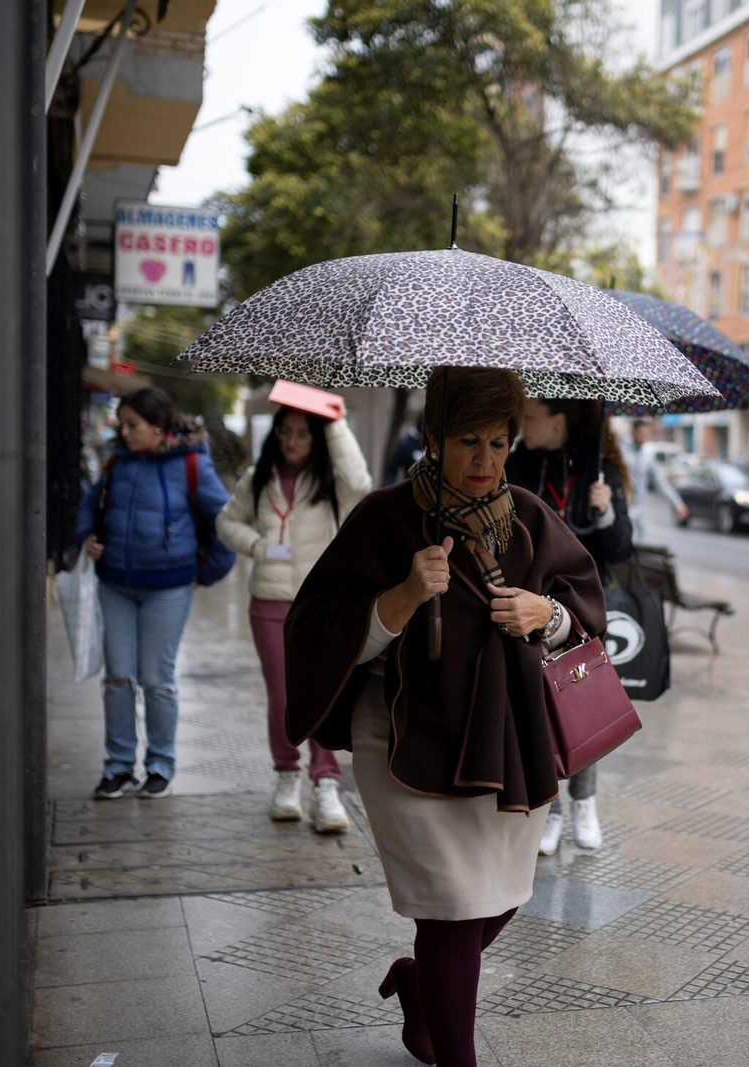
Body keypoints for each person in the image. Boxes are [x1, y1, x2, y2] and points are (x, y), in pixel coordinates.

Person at [284, 368, 606, 1067]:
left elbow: (584, 607)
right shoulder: (386, 517)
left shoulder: (527, 516)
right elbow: (315, 628)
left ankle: (421, 986)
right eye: (467, 442)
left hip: (508, 737)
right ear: (431, 437)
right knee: (454, 911)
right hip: (407, 741)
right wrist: (399, 599)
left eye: (499, 442)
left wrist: (543, 614)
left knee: (503, 897)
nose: (485, 462)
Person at [215, 402, 373, 832]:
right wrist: (257, 546)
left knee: (323, 692)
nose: (292, 440)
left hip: (319, 601)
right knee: (282, 696)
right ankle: (287, 776)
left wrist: (334, 418)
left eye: (303, 432)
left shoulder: (330, 480)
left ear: (317, 437)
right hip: (268, 601)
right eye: (285, 431)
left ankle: (325, 784)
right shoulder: (258, 478)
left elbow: (361, 482)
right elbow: (226, 522)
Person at [74, 387, 230, 800]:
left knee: (157, 680)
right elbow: (90, 507)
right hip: (115, 584)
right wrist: (87, 538)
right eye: (122, 424)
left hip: (168, 588)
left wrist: (205, 572)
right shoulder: (116, 462)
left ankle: (160, 764)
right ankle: (118, 766)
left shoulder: (192, 463)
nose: (124, 432)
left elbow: (224, 520)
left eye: (133, 425)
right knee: (118, 679)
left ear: (158, 427)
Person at [505, 398, 633, 854]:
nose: (523, 425)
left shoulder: (598, 469)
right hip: (533, 601)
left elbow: (620, 550)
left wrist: (607, 511)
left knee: (581, 702)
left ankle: (585, 802)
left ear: (557, 421)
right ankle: (551, 810)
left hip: (584, 605)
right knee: (538, 708)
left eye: (531, 417)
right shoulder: (516, 464)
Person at [625, 419, 688, 538]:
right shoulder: (622, 451)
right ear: (633, 432)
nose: (644, 437)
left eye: (646, 434)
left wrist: (677, 503)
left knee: (638, 546)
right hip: (623, 507)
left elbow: (660, 483)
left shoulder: (647, 455)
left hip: (640, 509)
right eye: (641, 433)